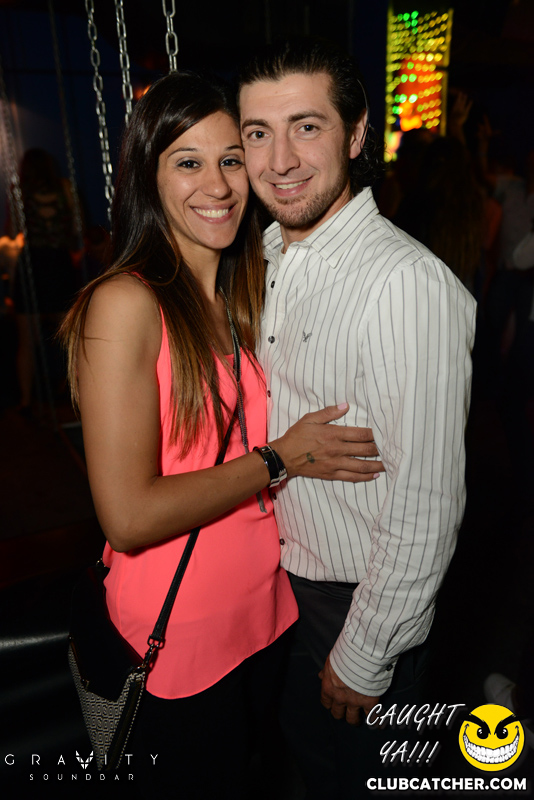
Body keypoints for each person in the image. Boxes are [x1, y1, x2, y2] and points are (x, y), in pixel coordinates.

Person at [60, 70, 383, 798]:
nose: (217, 184)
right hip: (177, 643)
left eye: (231, 159)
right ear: (150, 179)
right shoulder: (125, 304)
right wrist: (278, 458)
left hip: (265, 622)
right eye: (188, 162)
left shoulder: (240, 293)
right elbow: (128, 516)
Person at [238, 38, 477, 797]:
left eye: (306, 127)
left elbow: (427, 497)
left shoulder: (405, 282)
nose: (280, 160)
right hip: (279, 587)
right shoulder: (266, 256)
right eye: (258, 132)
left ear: (356, 132)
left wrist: (367, 651)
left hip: (355, 605)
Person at [12, 148, 78, 414]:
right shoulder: (65, 189)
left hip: (33, 263)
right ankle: (73, 393)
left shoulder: (21, 193)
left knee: (26, 341)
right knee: (70, 338)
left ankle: (26, 400)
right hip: (59, 262)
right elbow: (77, 227)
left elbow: (13, 230)